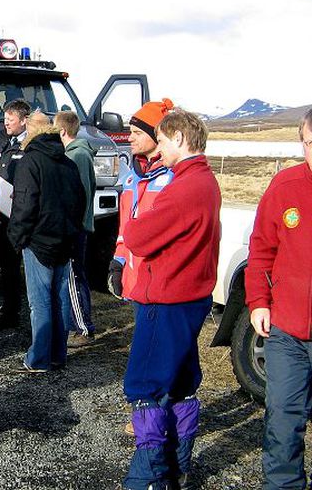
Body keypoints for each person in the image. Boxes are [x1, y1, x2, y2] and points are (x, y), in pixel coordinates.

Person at [121, 109, 221, 490]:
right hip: (190, 298)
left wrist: (136, 221)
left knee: (145, 386)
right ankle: (177, 467)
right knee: (180, 383)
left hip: (166, 300)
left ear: (179, 138)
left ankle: (148, 477)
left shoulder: (184, 187)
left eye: (161, 140)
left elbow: (137, 236)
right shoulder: (205, 182)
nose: (158, 149)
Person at [246, 108, 312, 489]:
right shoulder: (285, 187)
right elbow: (262, 250)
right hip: (287, 331)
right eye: (309, 143)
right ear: (301, 142)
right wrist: (258, 301)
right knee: (284, 420)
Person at [7, 112, 84, 372]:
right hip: (64, 240)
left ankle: (38, 358)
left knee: (39, 302)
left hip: (38, 242)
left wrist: (16, 238)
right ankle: (57, 356)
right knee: (60, 300)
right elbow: (80, 201)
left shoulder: (30, 162)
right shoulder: (68, 162)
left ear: (31, 133)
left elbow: (23, 205)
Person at [109, 99, 175, 303]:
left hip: (162, 284)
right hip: (135, 281)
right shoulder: (130, 180)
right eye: (130, 132)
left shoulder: (174, 178)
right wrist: (118, 262)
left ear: (156, 136)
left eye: (137, 133)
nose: (130, 138)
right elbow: (124, 230)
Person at [0, 99, 31, 331]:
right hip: (3, 215)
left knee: (26, 267)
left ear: (24, 121)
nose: (6, 123)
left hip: (22, 213)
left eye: (11, 120)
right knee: (8, 266)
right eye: (5, 119)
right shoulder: (1, 142)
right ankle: (10, 312)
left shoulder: (30, 145)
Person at [56, 111, 96, 347]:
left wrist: (71, 225)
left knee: (74, 276)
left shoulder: (77, 156)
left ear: (62, 131)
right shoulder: (76, 153)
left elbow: (78, 195)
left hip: (75, 227)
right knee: (75, 275)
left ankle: (82, 328)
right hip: (76, 225)